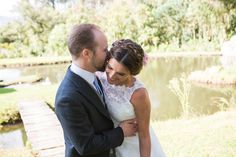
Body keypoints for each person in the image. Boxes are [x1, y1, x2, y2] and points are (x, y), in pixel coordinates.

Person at [55, 24, 137, 157]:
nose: (109, 54)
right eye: (105, 50)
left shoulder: (93, 75)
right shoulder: (68, 98)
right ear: (87, 53)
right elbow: (86, 146)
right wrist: (121, 132)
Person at [96, 39, 166, 157]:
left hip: (135, 149)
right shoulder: (99, 77)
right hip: (112, 144)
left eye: (121, 74)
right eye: (110, 67)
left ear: (131, 73)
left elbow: (144, 135)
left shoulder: (138, 94)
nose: (112, 76)